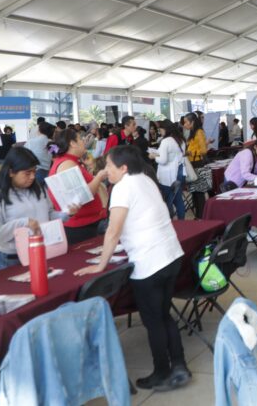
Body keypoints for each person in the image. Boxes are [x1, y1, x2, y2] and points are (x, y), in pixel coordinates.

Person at [76, 145, 189, 391]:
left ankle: (162, 372)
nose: (105, 171)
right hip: (170, 256)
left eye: (108, 166)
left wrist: (100, 265)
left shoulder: (123, 187)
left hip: (150, 263)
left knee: (153, 320)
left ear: (123, 167)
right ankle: (179, 365)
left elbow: (113, 230)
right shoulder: (144, 179)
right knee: (163, 313)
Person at [0, 147, 74, 271]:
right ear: (11, 172)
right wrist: (23, 223)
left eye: (34, 172)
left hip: (43, 251)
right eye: (27, 173)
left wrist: (66, 214)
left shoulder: (38, 189)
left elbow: (48, 214)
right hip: (12, 260)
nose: (32, 177)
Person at [47, 129, 109, 244]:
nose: (83, 141)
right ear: (72, 143)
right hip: (80, 227)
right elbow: (80, 197)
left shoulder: (72, 162)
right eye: (80, 139)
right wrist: (99, 177)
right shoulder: (67, 164)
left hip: (87, 224)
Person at [151, 121, 188, 220]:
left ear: (166, 129)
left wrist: (154, 156)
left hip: (167, 175)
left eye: (160, 129)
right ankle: (182, 221)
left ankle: (169, 221)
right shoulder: (181, 140)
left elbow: (163, 160)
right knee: (178, 198)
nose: (159, 131)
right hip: (179, 171)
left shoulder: (166, 141)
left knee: (168, 199)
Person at [182, 113, 209, 216]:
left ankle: (201, 215)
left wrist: (190, 153)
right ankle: (198, 214)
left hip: (198, 163)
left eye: (186, 122)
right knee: (194, 191)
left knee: (199, 191)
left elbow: (203, 151)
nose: (184, 124)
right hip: (192, 163)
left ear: (192, 122)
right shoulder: (192, 132)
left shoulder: (199, 132)